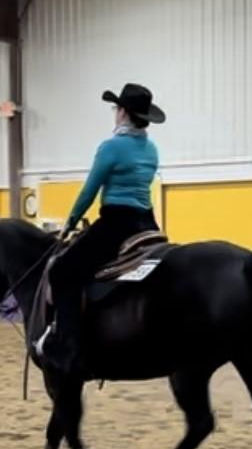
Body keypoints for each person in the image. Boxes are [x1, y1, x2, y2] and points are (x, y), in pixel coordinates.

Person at [35, 82, 165, 372]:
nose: (115, 114)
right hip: (147, 223)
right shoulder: (152, 149)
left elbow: (89, 191)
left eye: (116, 109)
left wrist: (69, 222)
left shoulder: (111, 147)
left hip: (117, 224)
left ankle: (68, 343)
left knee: (62, 271)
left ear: (123, 113)